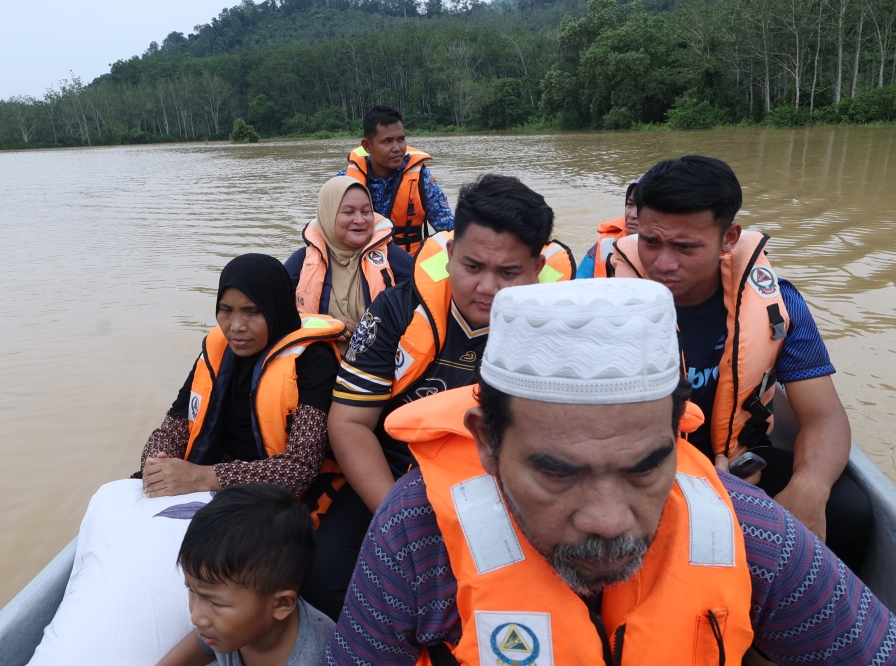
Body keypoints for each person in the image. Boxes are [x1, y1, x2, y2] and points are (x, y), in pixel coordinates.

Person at [326, 279, 896, 666]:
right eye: (558, 475)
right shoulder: (415, 535)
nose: (606, 519)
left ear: (677, 438)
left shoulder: (749, 533)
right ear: (488, 444)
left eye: (644, 469)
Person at [301, 174, 574, 620]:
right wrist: (401, 521)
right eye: (472, 266)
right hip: (395, 477)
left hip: (503, 485)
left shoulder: (559, 325)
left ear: (538, 267)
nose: (487, 287)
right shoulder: (395, 310)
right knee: (324, 580)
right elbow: (348, 424)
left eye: (508, 273)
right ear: (450, 255)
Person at [610, 155, 871, 571]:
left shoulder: (777, 304)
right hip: (639, 471)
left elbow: (823, 413)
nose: (663, 263)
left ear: (729, 238)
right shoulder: (601, 299)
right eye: (651, 242)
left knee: (850, 512)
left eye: (685, 247)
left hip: (741, 458)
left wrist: (809, 487)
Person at [134, 254, 345, 524]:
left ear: (275, 307)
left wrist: (202, 476)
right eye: (226, 310)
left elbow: (300, 469)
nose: (236, 327)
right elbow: (171, 428)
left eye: (252, 311)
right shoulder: (215, 353)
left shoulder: (312, 361)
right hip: (208, 483)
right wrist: (155, 465)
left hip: (280, 501)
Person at [156, 484, 335, 666]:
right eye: (191, 589)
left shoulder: (319, 657)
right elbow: (202, 645)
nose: (196, 616)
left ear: (281, 604)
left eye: (215, 602)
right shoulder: (226, 628)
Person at [284, 176, 413, 353]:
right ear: (328, 214)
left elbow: (426, 305)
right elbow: (278, 316)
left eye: (366, 211)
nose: (360, 220)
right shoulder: (301, 261)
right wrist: (328, 325)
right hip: (319, 362)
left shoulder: (393, 257)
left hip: (381, 361)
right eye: (348, 212)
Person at [339, 105, 454, 255]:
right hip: (363, 264)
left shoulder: (421, 179)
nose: (397, 148)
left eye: (401, 139)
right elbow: (328, 231)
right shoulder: (344, 181)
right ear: (367, 146)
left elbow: (449, 229)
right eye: (387, 141)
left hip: (408, 267)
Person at [575, 176, 640, 279]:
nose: (632, 214)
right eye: (630, 204)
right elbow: (579, 284)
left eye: (642, 207)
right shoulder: (605, 245)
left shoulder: (670, 253)